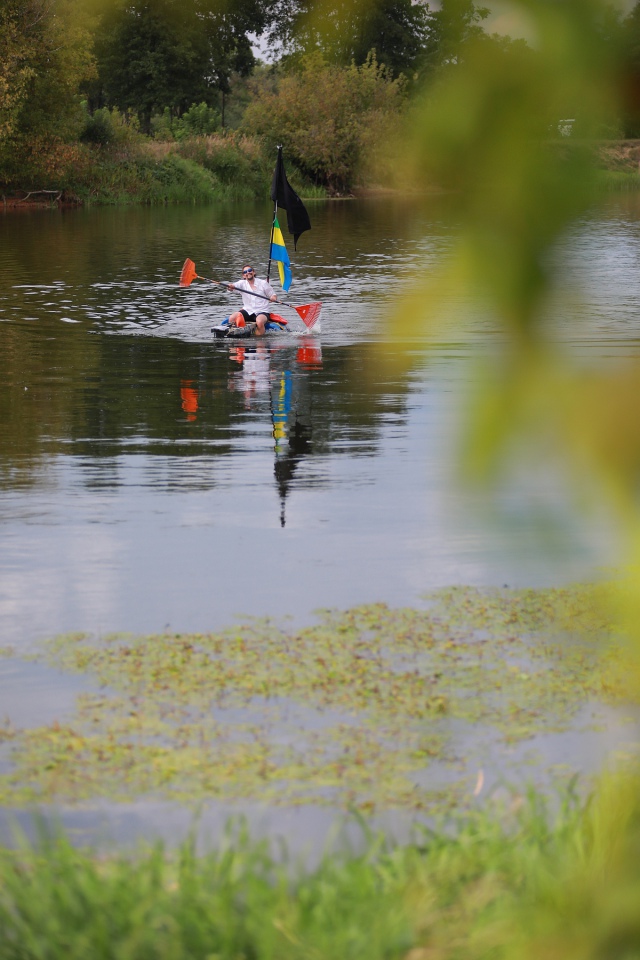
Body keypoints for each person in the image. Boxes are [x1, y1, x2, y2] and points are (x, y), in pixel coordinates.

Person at [228, 265, 278, 336]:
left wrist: (273, 298)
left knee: (259, 321)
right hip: (248, 310)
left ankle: (259, 340)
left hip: (262, 311)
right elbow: (232, 287)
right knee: (232, 318)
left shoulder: (263, 283)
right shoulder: (241, 283)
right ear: (244, 276)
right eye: (245, 272)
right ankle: (232, 335)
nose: (248, 272)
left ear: (254, 272)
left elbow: (273, 295)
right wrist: (230, 287)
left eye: (250, 270)